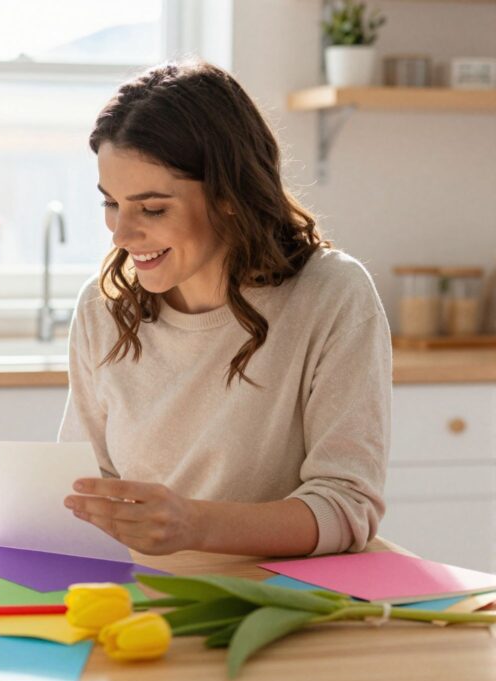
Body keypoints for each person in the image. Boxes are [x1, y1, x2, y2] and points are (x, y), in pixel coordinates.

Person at [60, 59, 391, 558]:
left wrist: (193, 525)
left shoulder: (331, 294)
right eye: (111, 204)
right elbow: (84, 486)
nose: (121, 235)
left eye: (152, 208)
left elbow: (346, 505)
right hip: (140, 588)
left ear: (229, 195)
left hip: (274, 590)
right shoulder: (103, 305)